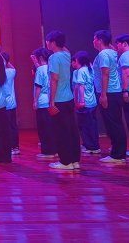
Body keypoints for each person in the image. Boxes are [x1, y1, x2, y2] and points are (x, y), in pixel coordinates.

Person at [46, 31, 81, 170]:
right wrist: (60, 41)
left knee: (61, 131)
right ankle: (75, 160)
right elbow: (66, 49)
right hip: (69, 98)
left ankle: (66, 162)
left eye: (48, 41)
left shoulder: (54, 58)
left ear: (54, 42)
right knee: (71, 130)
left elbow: (54, 79)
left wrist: (52, 101)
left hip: (59, 99)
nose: (47, 44)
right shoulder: (66, 55)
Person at [93, 30, 126, 163]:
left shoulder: (104, 54)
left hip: (109, 93)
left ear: (100, 40)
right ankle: (118, 152)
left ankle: (118, 155)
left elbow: (105, 73)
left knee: (113, 124)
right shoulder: (112, 52)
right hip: (114, 92)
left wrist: (103, 95)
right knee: (115, 123)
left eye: (95, 39)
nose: (93, 41)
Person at [31, 47, 58, 158]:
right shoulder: (51, 67)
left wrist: (35, 101)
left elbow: (38, 86)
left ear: (41, 58)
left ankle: (48, 151)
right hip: (51, 100)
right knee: (51, 126)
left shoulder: (40, 70)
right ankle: (54, 149)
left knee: (44, 128)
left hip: (42, 102)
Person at [74, 51, 100, 154]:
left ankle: (91, 147)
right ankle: (93, 145)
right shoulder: (91, 69)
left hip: (85, 102)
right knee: (92, 124)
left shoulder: (81, 71)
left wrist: (81, 101)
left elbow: (81, 86)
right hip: (92, 101)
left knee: (85, 125)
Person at [0, 52, 19, 155]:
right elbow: (13, 67)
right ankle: (16, 147)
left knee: (7, 127)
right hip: (13, 104)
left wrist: (2, 60)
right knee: (13, 126)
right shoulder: (11, 71)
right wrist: (6, 60)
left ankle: (10, 147)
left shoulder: (0, 73)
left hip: (4, 104)